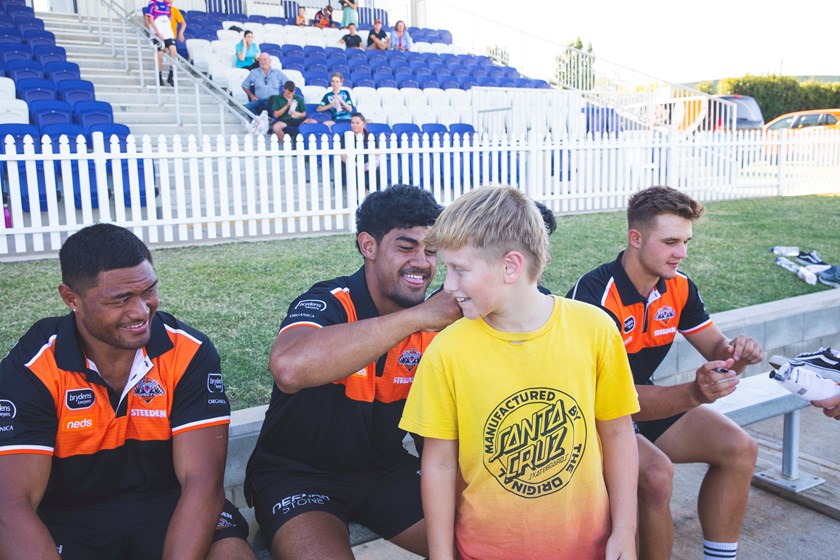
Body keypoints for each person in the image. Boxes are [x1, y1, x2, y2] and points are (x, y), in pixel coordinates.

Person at [400, 186, 640, 560]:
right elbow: (440, 461)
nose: (447, 285)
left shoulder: (594, 329)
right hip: (483, 550)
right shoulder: (446, 349)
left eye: (460, 270)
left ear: (510, 266)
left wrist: (625, 529)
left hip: (587, 547)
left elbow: (618, 432)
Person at [0, 223, 255, 560]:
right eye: (120, 300)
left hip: (171, 504)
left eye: (148, 291)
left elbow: (202, 485)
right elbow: (11, 505)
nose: (140, 311)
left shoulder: (189, 351)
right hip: (66, 518)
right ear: (70, 298)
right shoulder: (33, 366)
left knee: (232, 553)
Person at [244, 185, 461, 560]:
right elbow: (290, 368)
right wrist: (416, 317)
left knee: (480, 544)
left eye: (430, 251)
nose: (423, 264)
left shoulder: (433, 326)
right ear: (368, 245)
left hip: (385, 472)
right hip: (297, 474)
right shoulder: (332, 300)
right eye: (406, 247)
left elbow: (434, 434)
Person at [567, 185, 763, 560]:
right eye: (671, 241)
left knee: (740, 448)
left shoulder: (679, 286)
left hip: (642, 404)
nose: (681, 254)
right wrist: (694, 392)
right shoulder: (594, 296)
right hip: (590, 416)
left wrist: (739, 354)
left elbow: (720, 353)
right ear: (635, 238)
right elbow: (605, 400)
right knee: (656, 476)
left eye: (686, 242)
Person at [340, 112, 381, 195]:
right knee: (358, 173)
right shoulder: (346, 136)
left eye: (357, 123)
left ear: (364, 124)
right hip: (352, 165)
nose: (354, 125)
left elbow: (377, 154)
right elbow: (342, 156)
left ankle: (373, 194)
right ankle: (363, 195)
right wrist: (357, 165)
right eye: (352, 123)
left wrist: (370, 164)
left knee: (374, 171)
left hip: (368, 165)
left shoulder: (371, 136)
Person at [241, 52, 287, 116]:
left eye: (264, 59)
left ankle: (271, 121)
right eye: (260, 59)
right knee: (247, 107)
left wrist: (283, 96)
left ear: (269, 61)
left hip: (274, 101)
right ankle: (259, 121)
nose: (262, 61)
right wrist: (252, 96)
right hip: (259, 101)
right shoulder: (254, 72)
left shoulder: (277, 73)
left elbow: (288, 84)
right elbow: (244, 85)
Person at [147, 0, 177, 86]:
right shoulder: (152, 3)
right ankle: (159, 77)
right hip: (157, 34)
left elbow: (168, 20)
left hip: (167, 33)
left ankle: (171, 75)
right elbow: (151, 20)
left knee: (173, 50)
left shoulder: (167, 4)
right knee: (159, 58)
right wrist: (158, 33)